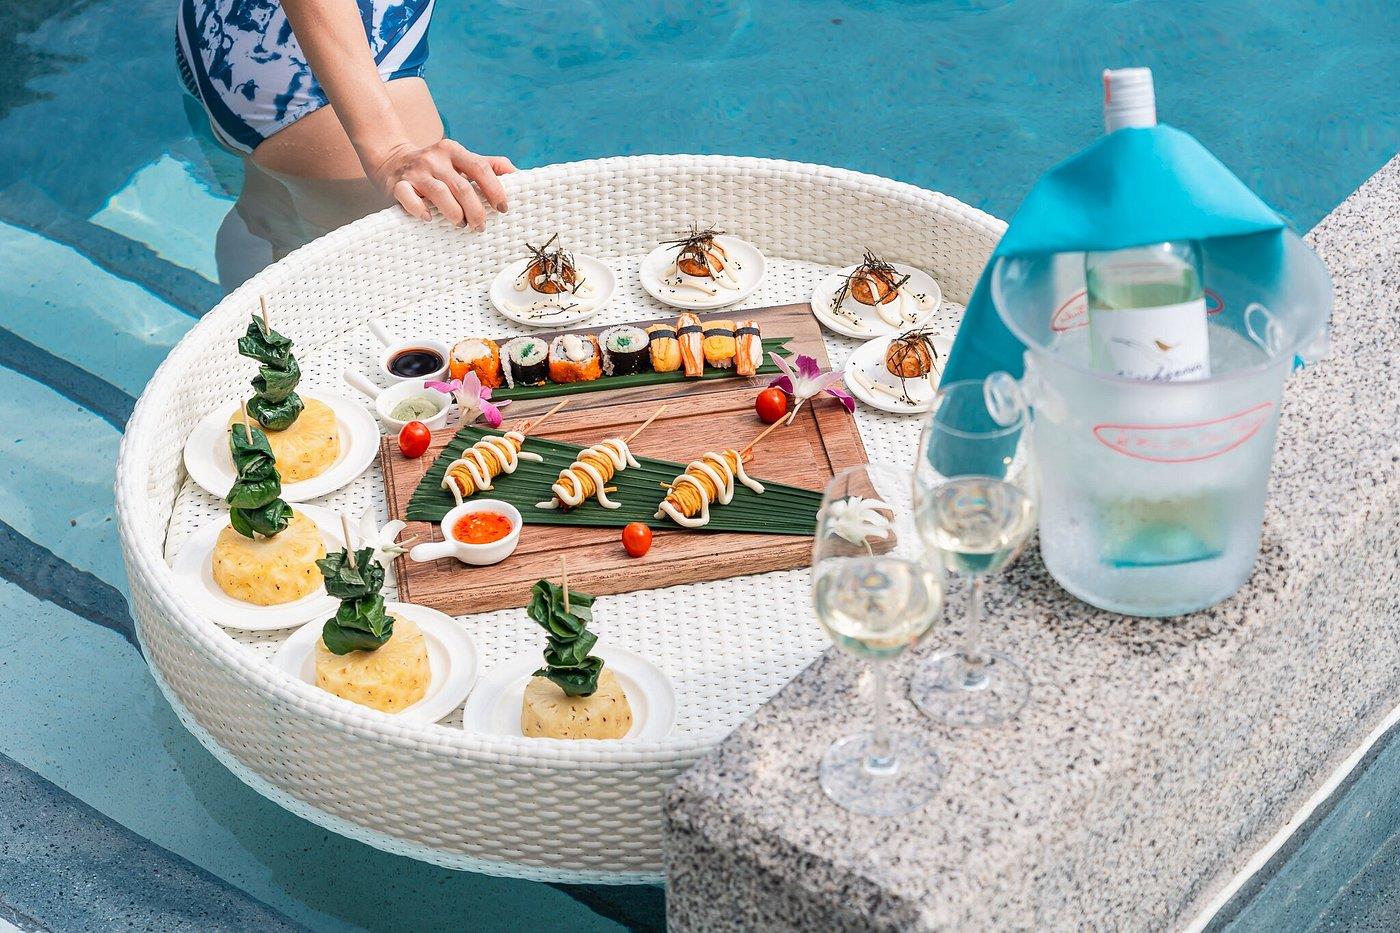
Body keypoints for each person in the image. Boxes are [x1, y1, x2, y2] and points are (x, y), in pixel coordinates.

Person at [176, 0, 515, 287]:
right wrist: (389, 151)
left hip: (225, 30)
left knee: (268, 218)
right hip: (319, 58)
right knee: (415, 285)